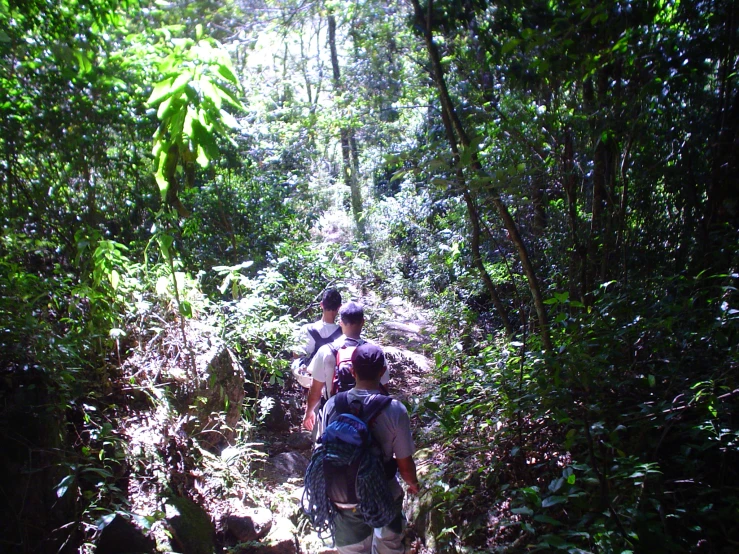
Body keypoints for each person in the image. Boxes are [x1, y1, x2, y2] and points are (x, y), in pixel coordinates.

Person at [316, 342, 420, 553]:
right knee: (388, 546)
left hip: (343, 496)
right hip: (384, 495)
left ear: (351, 370)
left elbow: (321, 451)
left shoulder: (331, 405)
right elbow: (405, 464)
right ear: (382, 372)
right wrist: (413, 484)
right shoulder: (395, 410)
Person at [302, 301, 389, 432]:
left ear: (340, 322)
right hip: (370, 413)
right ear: (363, 322)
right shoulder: (374, 352)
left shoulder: (326, 351)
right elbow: (384, 387)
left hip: (334, 412)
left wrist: (309, 412)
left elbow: (316, 389)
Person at [291, 288, 343, 385]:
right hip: (332, 379)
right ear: (339, 307)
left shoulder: (306, 329)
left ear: (321, 305)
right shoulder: (343, 333)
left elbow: (296, 355)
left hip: (309, 378)